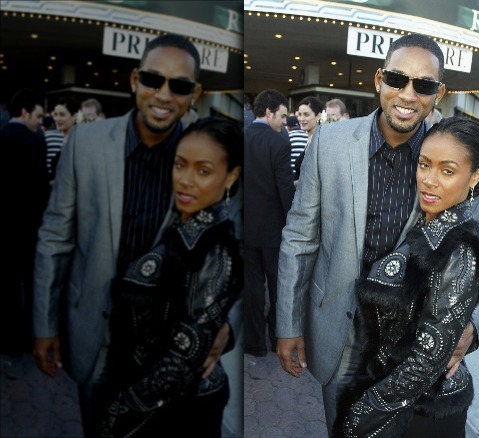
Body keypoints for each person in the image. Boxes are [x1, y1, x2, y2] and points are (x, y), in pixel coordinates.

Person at [276, 33, 479, 434]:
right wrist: (288, 324)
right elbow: (300, 239)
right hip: (339, 331)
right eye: (398, 78)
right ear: (379, 79)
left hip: (414, 345)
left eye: (424, 84)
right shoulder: (329, 142)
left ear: (439, 93)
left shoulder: (449, 154)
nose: (408, 95)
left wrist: (474, 324)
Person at [32, 34, 234, 437]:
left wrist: (225, 327)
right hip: (96, 333)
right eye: (152, 79)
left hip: (169, 348)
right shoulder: (85, 144)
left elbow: (233, 248)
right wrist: (44, 324)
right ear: (133, 79)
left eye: (178, 86)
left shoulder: (213, 148)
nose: (163, 94)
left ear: (194, 93)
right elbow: (55, 239)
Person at [341, 117, 479, 436]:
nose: (429, 180)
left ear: (476, 175)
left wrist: (358, 418)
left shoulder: (459, 250)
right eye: (424, 165)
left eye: (447, 171)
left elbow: (425, 363)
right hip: (394, 396)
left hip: (421, 412)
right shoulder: (432, 222)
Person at [98, 117, 243, 436]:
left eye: (203, 171)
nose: (185, 180)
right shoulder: (180, 224)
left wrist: (114, 415)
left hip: (176, 411)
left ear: (231, 175)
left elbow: (178, 366)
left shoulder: (217, 250)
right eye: (180, 165)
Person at [244, 89, 294, 357]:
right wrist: (293, 220)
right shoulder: (279, 142)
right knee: (277, 287)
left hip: (245, 226)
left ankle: (253, 342)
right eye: (282, 116)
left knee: (251, 288)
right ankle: (276, 338)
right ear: (268, 112)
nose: (284, 122)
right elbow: (284, 187)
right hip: (273, 229)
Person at [0, 89, 48, 357]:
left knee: (7, 284)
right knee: (32, 284)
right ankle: (30, 336)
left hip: (5, 227)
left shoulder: (2, 136)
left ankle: (9, 338)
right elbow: (40, 188)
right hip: (30, 226)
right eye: (38, 116)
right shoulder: (35, 142)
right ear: (25, 111)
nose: (40, 122)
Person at [45, 96, 80, 183]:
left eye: (62, 115)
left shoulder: (80, 141)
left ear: (74, 116)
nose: (57, 119)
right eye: (55, 115)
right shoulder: (49, 137)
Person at [292, 96, 324, 185]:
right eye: (299, 114)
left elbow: (315, 179)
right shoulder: (310, 138)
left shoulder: (319, 141)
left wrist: (290, 184)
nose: (301, 119)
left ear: (318, 115)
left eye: (306, 114)